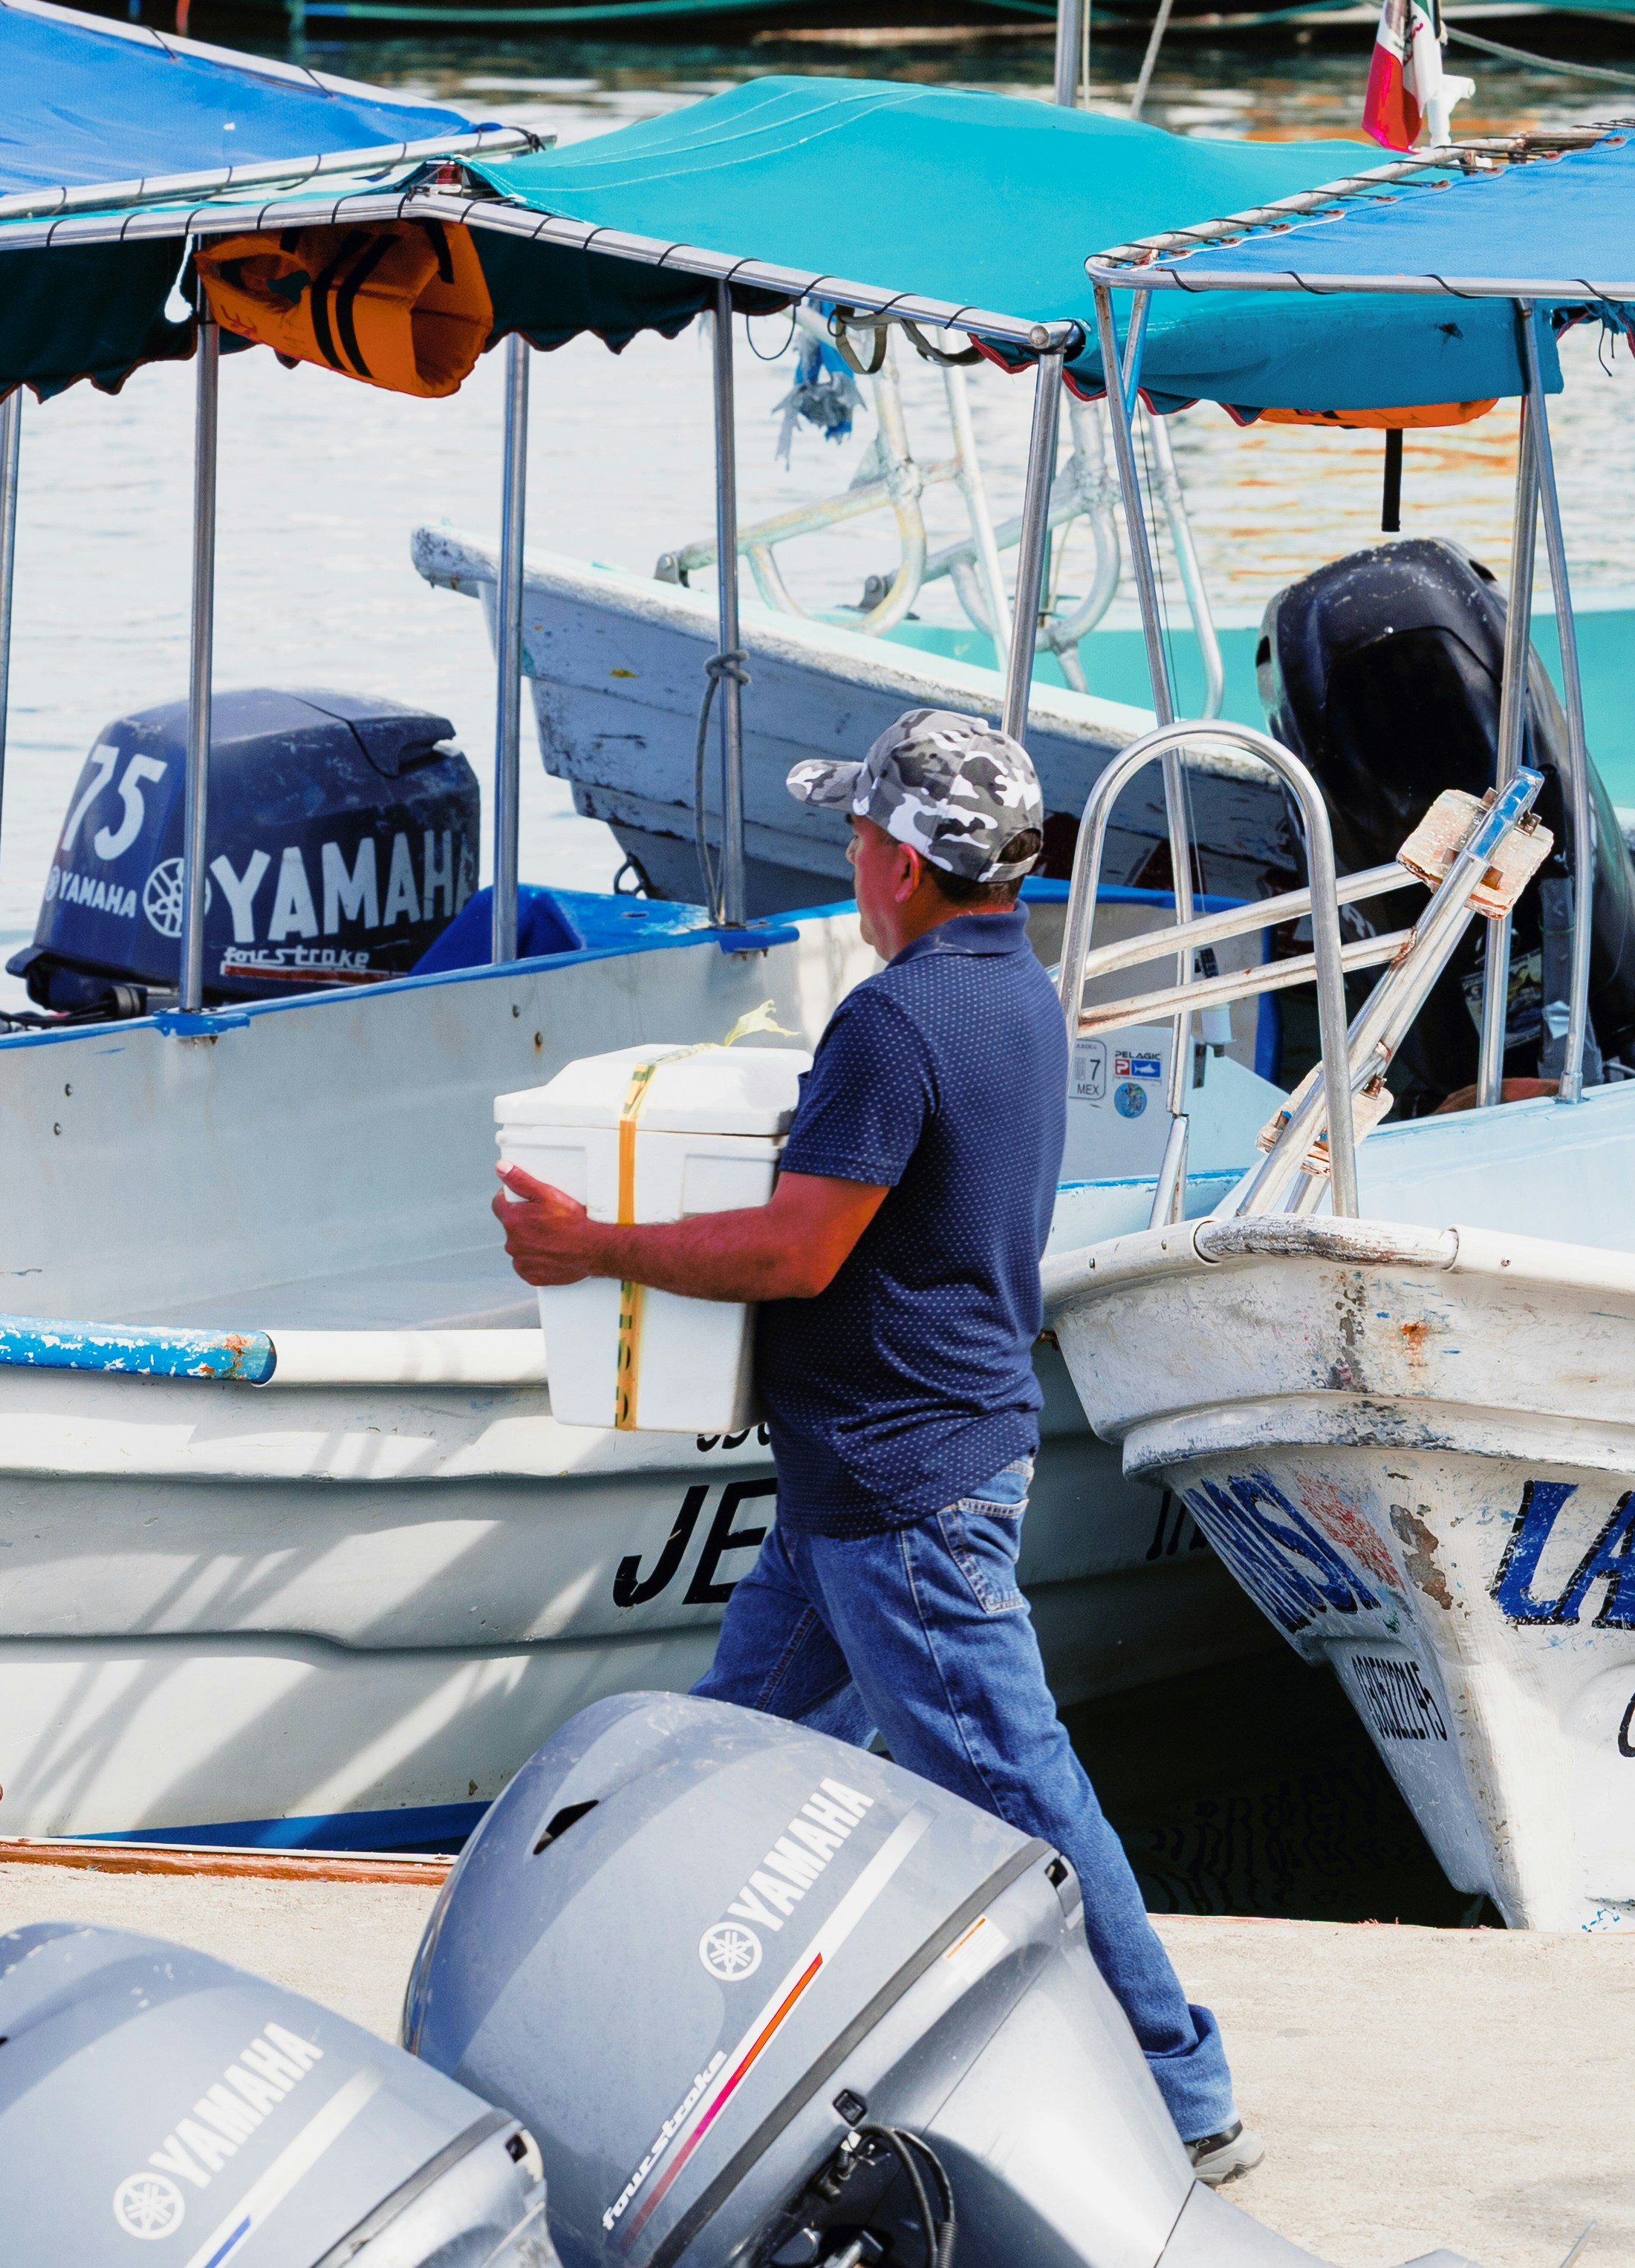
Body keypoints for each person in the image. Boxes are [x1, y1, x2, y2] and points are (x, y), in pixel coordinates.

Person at [492, 706, 1257, 2185]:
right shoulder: (1014, 994)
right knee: (731, 1759)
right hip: (885, 1471)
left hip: (900, 1494)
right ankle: (681, 2043)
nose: (846, 849)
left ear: (904, 862)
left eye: (857, 829)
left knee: (1014, 1784)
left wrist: (592, 1245)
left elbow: (797, 1248)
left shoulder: (891, 1020)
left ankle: (1181, 2083)